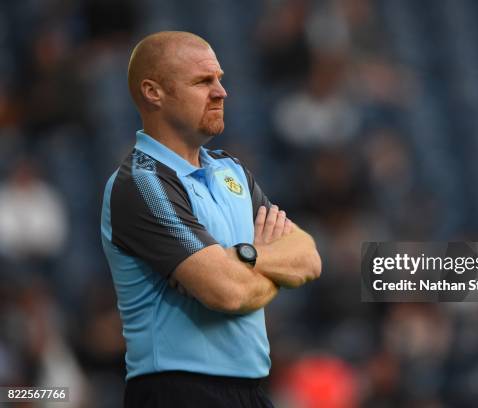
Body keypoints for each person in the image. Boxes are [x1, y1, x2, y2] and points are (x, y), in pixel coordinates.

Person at [100, 31, 322, 408]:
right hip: (179, 392)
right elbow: (227, 292)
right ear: (153, 92)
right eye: (203, 81)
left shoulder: (231, 170)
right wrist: (264, 270)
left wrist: (246, 257)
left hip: (250, 390)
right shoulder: (142, 183)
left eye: (219, 79)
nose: (221, 92)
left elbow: (308, 256)